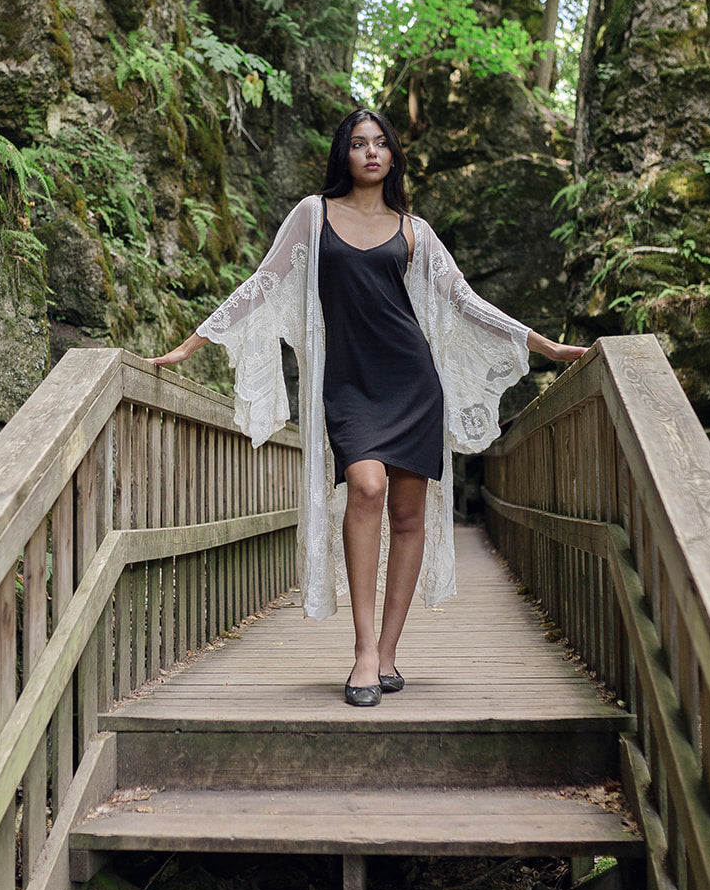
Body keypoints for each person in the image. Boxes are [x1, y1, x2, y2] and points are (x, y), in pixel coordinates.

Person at [150, 108, 585, 706]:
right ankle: (360, 651)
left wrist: (546, 345)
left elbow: (466, 302)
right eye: (359, 144)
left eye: (381, 143)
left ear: (393, 156)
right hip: (350, 387)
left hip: (413, 384)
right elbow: (264, 282)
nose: (371, 153)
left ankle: (387, 652)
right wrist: (191, 341)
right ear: (344, 155)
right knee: (366, 488)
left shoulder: (415, 232)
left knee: (408, 518)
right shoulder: (313, 215)